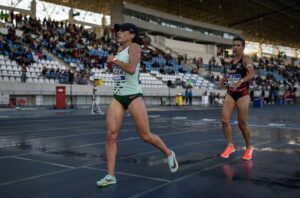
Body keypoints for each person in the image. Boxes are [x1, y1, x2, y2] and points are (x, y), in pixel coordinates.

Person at [96, 23, 179, 187]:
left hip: (134, 96)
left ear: (132, 34)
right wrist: (111, 64)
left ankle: (169, 153)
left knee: (145, 135)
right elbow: (118, 71)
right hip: (118, 96)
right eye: (117, 31)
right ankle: (110, 175)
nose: (118, 33)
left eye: (122, 31)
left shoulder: (134, 47)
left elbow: (132, 69)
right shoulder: (118, 51)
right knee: (110, 135)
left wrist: (114, 61)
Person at [219, 36, 255, 161]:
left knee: (242, 124)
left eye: (238, 45)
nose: (235, 47)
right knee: (224, 121)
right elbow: (229, 76)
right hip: (231, 92)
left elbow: (251, 74)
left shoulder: (246, 59)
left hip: (243, 94)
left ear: (243, 47)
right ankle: (230, 146)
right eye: (233, 45)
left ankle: (249, 147)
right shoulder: (231, 61)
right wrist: (224, 80)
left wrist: (241, 81)